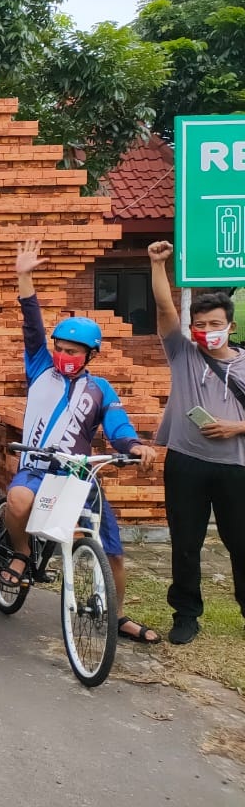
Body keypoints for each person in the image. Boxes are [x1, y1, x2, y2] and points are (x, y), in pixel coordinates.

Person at [6, 239, 159, 644]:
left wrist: (134, 447)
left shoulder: (100, 389)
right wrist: (25, 277)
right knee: (17, 502)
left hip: (77, 473)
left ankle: (118, 616)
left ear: (90, 354)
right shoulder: (40, 366)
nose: (65, 355)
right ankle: (21, 552)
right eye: (61, 349)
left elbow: (118, 427)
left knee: (112, 552)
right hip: (36, 466)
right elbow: (32, 323)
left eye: (74, 351)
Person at [148, 240, 245, 644]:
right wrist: (157, 265)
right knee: (185, 541)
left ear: (231, 327)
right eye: (200, 325)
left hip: (235, 467)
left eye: (215, 324)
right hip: (186, 461)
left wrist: (235, 427)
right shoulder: (183, 354)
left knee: (240, 543)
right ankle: (186, 614)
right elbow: (166, 310)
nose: (207, 332)